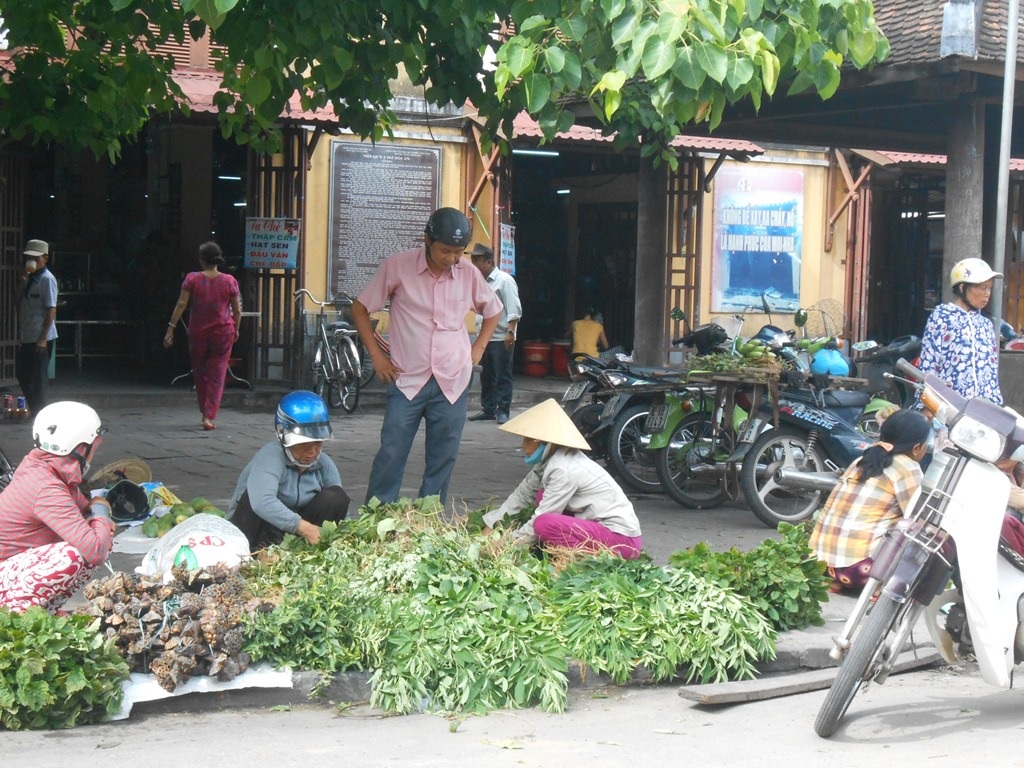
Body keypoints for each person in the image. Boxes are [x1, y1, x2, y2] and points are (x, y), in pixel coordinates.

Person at [350, 207, 503, 506]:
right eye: (445, 250)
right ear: (427, 240)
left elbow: (493, 310)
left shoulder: (468, 272)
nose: (452, 259)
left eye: (458, 252)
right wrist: (377, 358)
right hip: (407, 378)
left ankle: (427, 521)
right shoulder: (397, 266)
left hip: (453, 379)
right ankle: (377, 517)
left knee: (443, 457)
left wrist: (478, 349)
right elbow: (359, 308)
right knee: (391, 453)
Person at [482, 398, 643, 559]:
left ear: (546, 442)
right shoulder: (549, 461)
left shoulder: (564, 468)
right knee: (541, 495)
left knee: (543, 524)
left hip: (621, 541)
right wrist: (492, 523)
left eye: (529, 440)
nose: (524, 446)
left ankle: (578, 560)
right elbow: (522, 494)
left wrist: (506, 544)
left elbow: (542, 516)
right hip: (598, 528)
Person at [0, 401, 113, 613]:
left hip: (11, 571)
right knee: (75, 555)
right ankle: (17, 613)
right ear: (80, 448)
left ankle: (44, 610)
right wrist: (101, 511)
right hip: (4, 580)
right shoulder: (46, 487)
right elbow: (96, 551)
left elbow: (83, 508)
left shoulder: (43, 466)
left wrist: (96, 514)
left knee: (100, 533)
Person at [809, 408, 932, 593]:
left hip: (819, 564)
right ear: (916, 448)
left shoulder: (862, 459)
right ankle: (879, 589)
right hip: (859, 570)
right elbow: (917, 517)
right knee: (923, 533)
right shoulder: (908, 467)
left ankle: (838, 582)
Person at [227, 391, 349, 552]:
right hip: (256, 529)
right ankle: (258, 554)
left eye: (318, 443)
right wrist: (305, 528)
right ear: (283, 435)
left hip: (295, 536)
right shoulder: (270, 457)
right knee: (253, 496)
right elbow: (262, 502)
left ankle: (305, 552)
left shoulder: (325, 465)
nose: (312, 452)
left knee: (336, 496)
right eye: (304, 444)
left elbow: (342, 513)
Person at [163, 241, 242, 431]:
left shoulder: (192, 279)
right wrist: (237, 328)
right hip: (223, 331)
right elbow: (237, 309)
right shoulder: (229, 281)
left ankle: (204, 411)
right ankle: (209, 415)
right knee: (218, 372)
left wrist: (170, 329)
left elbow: (181, 304)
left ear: (201, 260)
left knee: (200, 372)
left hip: (198, 332)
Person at [918, 257, 1003, 404]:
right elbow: (928, 363)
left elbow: (992, 371)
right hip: (950, 405)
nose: (987, 293)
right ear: (963, 288)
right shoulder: (941, 318)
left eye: (989, 288)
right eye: (983, 288)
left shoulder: (986, 325)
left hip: (984, 409)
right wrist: (927, 404)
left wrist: (996, 404)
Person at [468, 243, 522, 425]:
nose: (474, 264)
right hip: (484, 337)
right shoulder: (479, 281)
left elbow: (513, 308)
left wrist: (510, 332)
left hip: (501, 336)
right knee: (487, 374)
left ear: (489, 261)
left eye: (477, 260)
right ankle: (488, 408)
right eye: (473, 260)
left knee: (502, 374)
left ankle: (503, 409)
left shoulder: (505, 280)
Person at [16, 239, 58, 415]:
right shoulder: (31, 278)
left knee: (39, 380)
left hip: (42, 337)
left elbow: (51, 310)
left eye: (36, 257)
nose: (31, 260)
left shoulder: (47, 279)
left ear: (45, 259)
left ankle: (41, 414)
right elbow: (17, 301)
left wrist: (42, 339)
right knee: (23, 374)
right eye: (29, 257)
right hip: (28, 334)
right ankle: (36, 410)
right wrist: (23, 281)